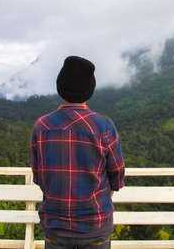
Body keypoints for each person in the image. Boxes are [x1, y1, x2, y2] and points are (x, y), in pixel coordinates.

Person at [31, 56, 125, 249]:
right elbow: (117, 176)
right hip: (95, 226)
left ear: (60, 86)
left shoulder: (41, 126)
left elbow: (39, 177)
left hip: (55, 226)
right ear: (90, 90)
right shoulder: (104, 126)